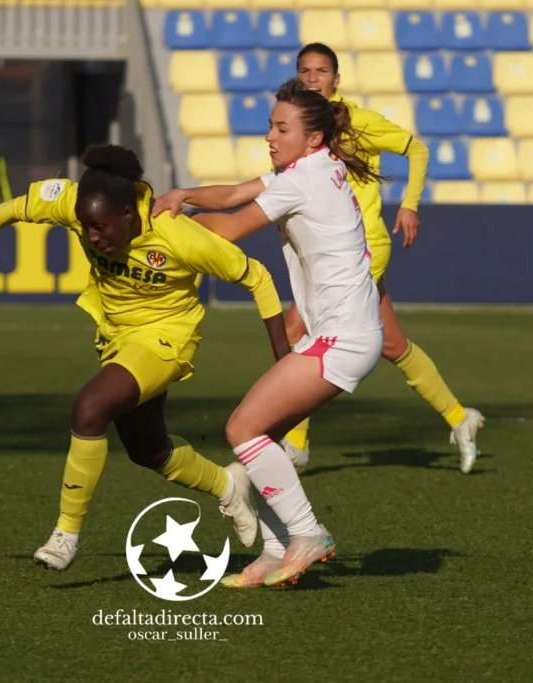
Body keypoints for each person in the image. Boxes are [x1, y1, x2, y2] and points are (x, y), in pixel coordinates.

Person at [0, 144, 291, 572]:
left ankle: (65, 535)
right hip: (116, 339)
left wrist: (282, 357)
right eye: (85, 226)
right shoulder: (77, 203)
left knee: (90, 408)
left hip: (166, 340)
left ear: (128, 214)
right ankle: (227, 484)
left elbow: (257, 276)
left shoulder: (178, 235)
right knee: (149, 450)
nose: (91, 236)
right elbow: (13, 209)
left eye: (100, 227)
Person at [160, 42, 486, 474]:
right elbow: (243, 191)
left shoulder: (348, 129)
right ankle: (460, 418)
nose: (312, 77)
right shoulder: (303, 143)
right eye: (304, 70)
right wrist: (184, 197)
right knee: (391, 343)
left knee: (298, 331)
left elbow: (417, 149)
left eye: (321, 71)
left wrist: (410, 204)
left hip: (361, 248)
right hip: (334, 249)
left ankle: (288, 440)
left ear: (336, 79)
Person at [156, 79, 385, 587]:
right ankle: (276, 550)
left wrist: (159, 225)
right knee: (267, 438)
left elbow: (232, 226)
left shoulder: (301, 178)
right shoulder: (313, 167)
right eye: (270, 125)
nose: (270, 136)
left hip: (342, 336)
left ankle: (307, 533)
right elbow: (237, 192)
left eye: (282, 128)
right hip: (344, 331)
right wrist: (185, 195)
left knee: (242, 429)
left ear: (313, 138)